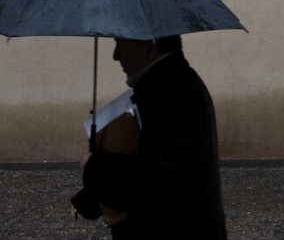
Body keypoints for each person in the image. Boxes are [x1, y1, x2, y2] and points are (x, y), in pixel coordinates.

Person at [71, 36, 227, 239]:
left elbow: (152, 181)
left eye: (120, 44)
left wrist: (93, 165)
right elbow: (149, 159)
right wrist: (88, 199)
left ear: (149, 46)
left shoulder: (169, 94)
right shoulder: (168, 84)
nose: (115, 55)